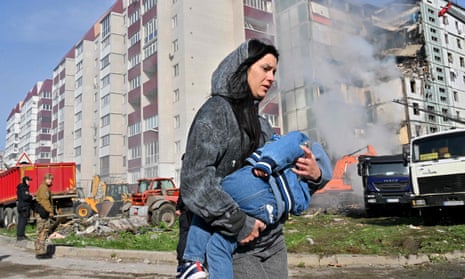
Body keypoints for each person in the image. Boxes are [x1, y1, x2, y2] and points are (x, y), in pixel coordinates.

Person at [178, 38, 327, 279]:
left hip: (271, 240)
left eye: (275, 71)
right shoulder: (216, 112)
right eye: (265, 69)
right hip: (231, 238)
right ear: (242, 67)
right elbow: (195, 181)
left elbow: (280, 175)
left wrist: (315, 175)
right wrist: (238, 222)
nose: (271, 78)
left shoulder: (260, 123)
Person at [178, 131, 332, 278]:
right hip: (264, 209)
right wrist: (317, 177)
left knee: (210, 210)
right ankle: (193, 260)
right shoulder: (227, 115)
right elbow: (299, 204)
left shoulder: (301, 144)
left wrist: (267, 162)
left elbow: (288, 145)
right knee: (216, 239)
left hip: (254, 192)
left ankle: (192, 260)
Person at [35, 173, 55, 259]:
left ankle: (40, 251)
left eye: (51, 179)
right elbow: (45, 201)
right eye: (49, 179)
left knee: (42, 231)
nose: (50, 181)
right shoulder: (44, 188)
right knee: (42, 231)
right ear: (45, 179)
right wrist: (51, 211)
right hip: (42, 213)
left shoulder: (44, 187)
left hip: (42, 212)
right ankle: (40, 252)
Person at [175, 192, 193, 266]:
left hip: (186, 211)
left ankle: (182, 260)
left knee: (184, 236)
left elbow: (182, 193)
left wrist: (178, 207)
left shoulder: (186, 180)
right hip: (198, 212)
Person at [16, 176, 34, 241]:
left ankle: (21, 234)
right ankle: (20, 236)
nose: (29, 182)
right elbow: (25, 197)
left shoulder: (21, 187)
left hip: (21, 206)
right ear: (25, 180)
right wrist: (30, 196)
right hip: (24, 207)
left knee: (21, 221)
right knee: (22, 221)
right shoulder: (24, 188)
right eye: (28, 180)